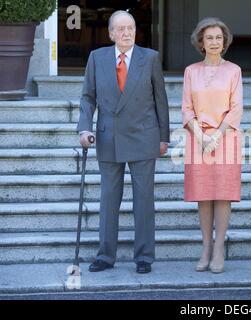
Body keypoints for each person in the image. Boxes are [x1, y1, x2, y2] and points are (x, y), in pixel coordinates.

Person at [77, 10, 170, 274]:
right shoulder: (97, 58)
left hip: (144, 135)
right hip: (108, 137)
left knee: (143, 200)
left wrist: (164, 137)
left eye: (130, 28)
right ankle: (105, 256)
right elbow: (87, 97)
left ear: (135, 30)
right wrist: (84, 128)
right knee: (108, 199)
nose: (126, 33)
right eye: (120, 29)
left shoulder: (149, 58)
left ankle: (144, 257)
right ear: (111, 33)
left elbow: (160, 100)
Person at [182, 17, 243, 273]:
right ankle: (205, 247)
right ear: (201, 42)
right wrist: (202, 136)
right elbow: (186, 109)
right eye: (209, 38)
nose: (214, 42)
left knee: (223, 195)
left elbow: (236, 108)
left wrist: (216, 136)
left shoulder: (234, 71)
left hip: (226, 138)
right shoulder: (191, 71)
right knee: (203, 196)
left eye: (219, 37)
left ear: (224, 41)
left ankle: (219, 248)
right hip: (197, 139)